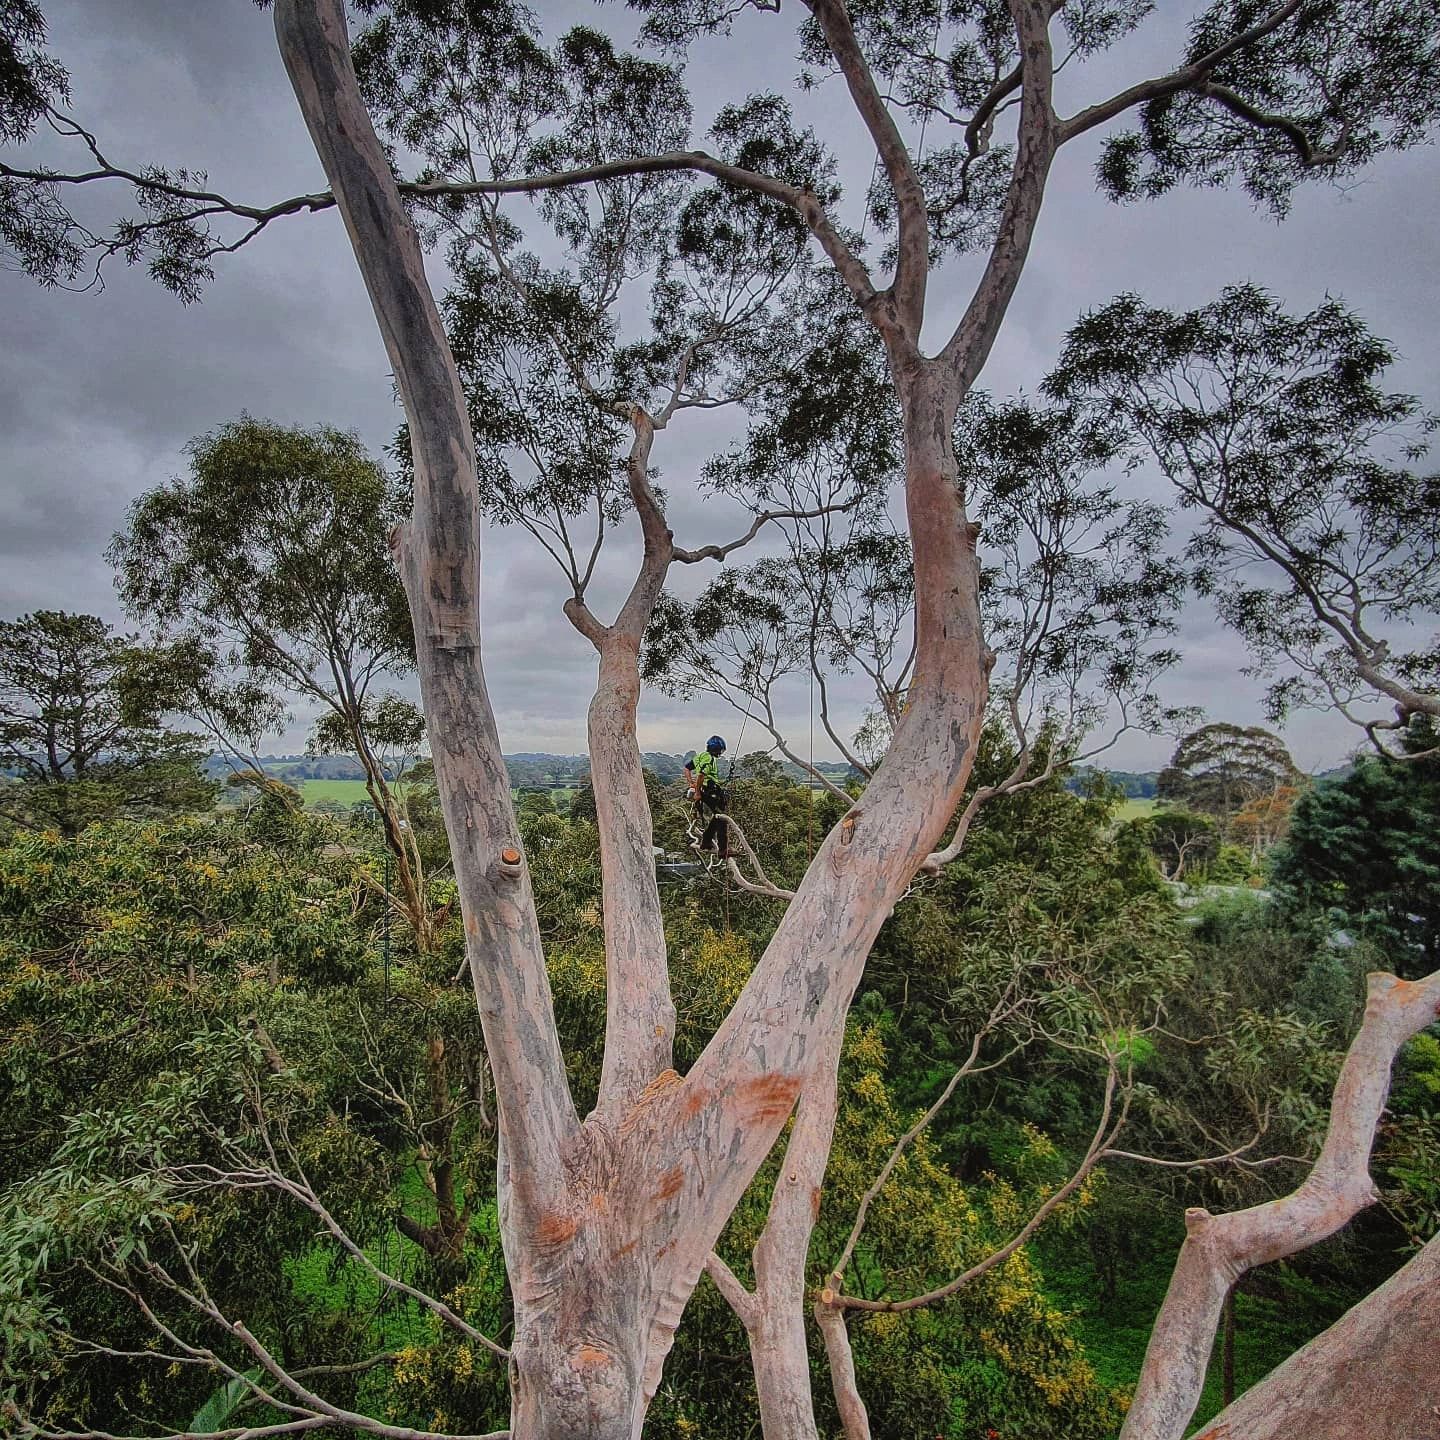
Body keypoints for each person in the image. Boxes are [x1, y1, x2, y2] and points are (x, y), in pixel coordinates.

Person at [685, 735, 729, 858]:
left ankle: (706, 842)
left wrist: (691, 784)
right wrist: (697, 792)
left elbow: (687, 769)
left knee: (716, 816)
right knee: (722, 818)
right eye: (720, 750)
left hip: (704, 790)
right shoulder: (709, 759)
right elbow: (701, 776)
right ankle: (723, 850)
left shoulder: (700, 756)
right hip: (710, 790)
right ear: (716, 749)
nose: (720, 753)